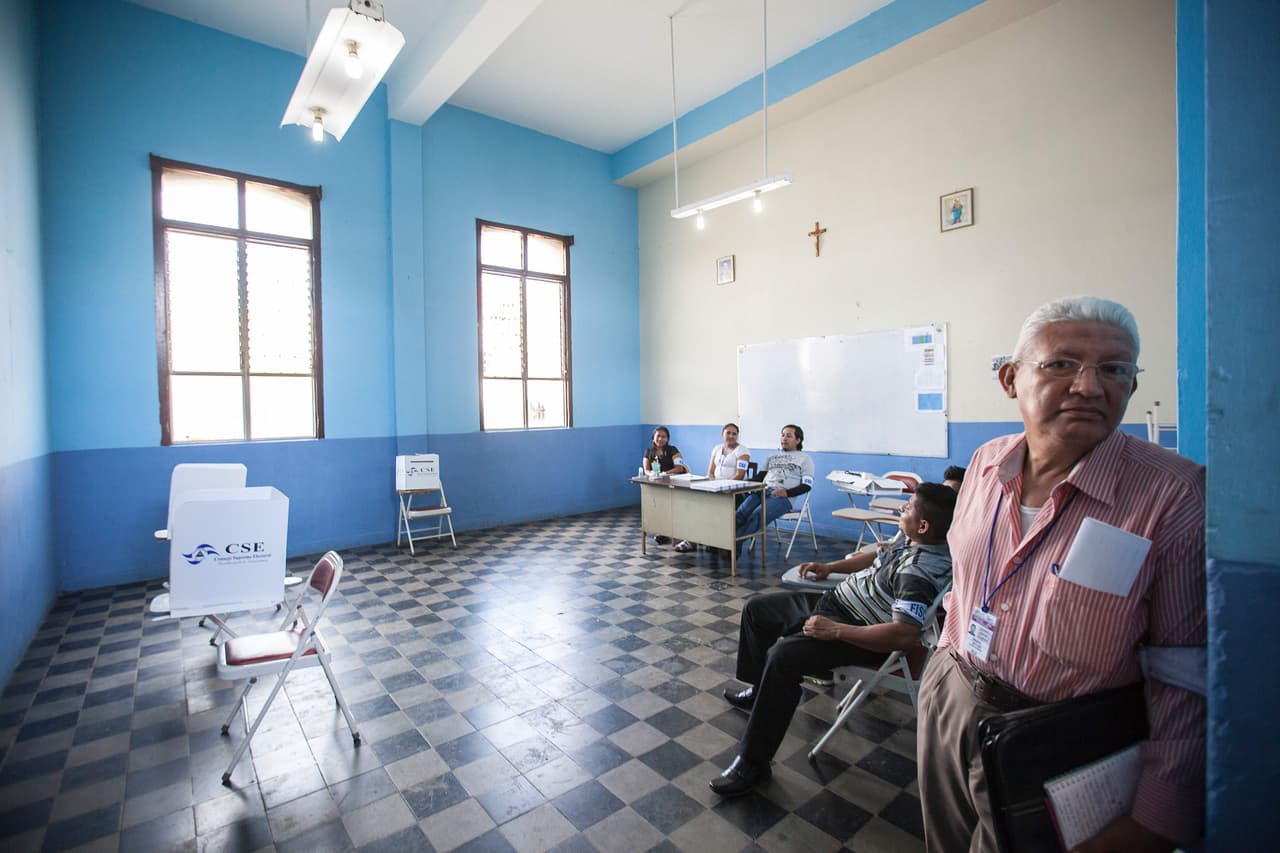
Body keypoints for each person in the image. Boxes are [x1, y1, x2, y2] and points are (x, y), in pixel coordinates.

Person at [917, 296, 1205, 852]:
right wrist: (943, 666)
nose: (1090, 386)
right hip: (952, 692)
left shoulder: (1172, 496)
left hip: (1058, 736)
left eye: (1115, 369)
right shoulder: (984, 464)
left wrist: (1157, 815)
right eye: (1061, 364)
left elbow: (1184, 669)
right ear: (1010, 379)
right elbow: (965, 576)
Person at [709, 483, 958, 796]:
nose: (901, 510)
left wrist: (836, 631)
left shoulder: (919, 572)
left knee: (783, 657)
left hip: (857, 632)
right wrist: (830, 567)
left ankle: (753, 763)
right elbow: (872, 559)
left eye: (907, 507)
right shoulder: (912, 542)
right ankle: (759, 690)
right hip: (836, 603)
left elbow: (904, 635)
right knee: (757, 610)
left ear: (924, 525)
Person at [734, 424, 814, 555]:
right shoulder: (772, 456)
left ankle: (733, 544)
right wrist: (746, 484)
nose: (784, 438)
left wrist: (787, 492)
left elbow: (807, 485)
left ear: (798, 440)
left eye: (789, 436)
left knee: (757, 515)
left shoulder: (805, 459)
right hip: (762, 491)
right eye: (782, 435)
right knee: (740, 513)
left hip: (782, 497)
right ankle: (726, 543)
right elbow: (760, 477)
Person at [674, 423, 751, 553]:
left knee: (710, 508)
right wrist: (710, 484)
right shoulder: (717, 448)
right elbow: (710, 472)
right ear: (722, 434)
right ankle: (692, 540)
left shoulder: (742, 451)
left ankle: (714, 540)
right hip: (714, 488)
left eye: (734, 434)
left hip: (733, 491)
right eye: (728, 433)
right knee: (694, 505)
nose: (731, 436)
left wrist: (722, 486)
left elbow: (740, 475)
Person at [641, 427, 687, 544]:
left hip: (674, 483)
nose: (661, 439)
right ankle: (662, 531)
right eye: (658, 436)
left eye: (664, 436)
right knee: (659, 506)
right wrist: (653, 474)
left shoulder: (672, 450)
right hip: (657, 484)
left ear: (668, 439)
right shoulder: (648, 452)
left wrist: (665, 474)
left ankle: (679, 531)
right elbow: (646, 470)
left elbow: (679, 468)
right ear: (653, 438)